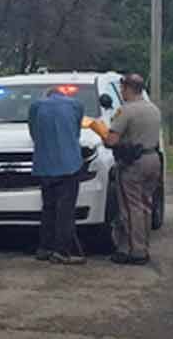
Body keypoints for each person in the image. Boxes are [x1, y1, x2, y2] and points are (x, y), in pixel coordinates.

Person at [100, 73, 162, 265]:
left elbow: (112, 140)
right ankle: (143, 246)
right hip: (152, 159)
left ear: (127, 88)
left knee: (130, 207)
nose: (121, 92)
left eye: (122, 89)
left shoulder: (125, 111)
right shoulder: (153, 109)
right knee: (146, 205)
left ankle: (134, 250)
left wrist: (102, 133)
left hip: (133, 164)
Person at [28, 87, 87, 264]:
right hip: (70, 165)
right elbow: (76, 132)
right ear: (64, 95)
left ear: (46, 95)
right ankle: (63, 251)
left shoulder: (36, 106)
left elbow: (34, 133)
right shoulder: (76, 105)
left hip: (44, 165)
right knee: (65, 211)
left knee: (48, 208)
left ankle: (44, 247)